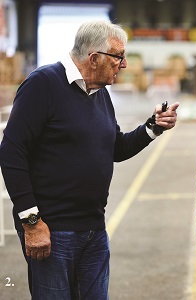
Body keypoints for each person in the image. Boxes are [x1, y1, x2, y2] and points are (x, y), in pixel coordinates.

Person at [0, 20, 179, 300]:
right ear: (94, 59)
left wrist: (153, 127)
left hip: (93, 229)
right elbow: (12, 153)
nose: (124, 65)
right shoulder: (43, 84)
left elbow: (115, 147)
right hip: (52, 231)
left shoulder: (99, 93)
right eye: (118, 57)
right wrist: (31, 222)